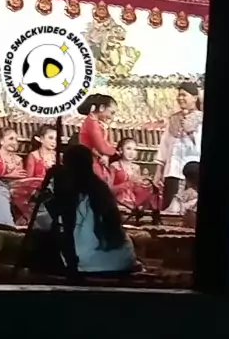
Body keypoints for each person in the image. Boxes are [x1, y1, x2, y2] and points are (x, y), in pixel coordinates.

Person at [50, 145, 138, 274]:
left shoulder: (73, 193)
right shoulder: (100, 188)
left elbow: (60, 228)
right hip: (121, 258)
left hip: (88, 260)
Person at [154, 81, 203, 211]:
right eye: (179, 95)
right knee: (169, 211)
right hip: (172, 172)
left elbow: (199, 147)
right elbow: (164, 146)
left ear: (194, 98)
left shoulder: (202, 119)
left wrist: (190, 132)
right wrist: (158, 171)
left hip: (192, 173)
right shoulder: (173, 119)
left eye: (184, 95)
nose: (180, 98)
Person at [78, 93, 118, 184]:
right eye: (111, 112)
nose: (111, 117)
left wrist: (107, 154)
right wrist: (115, 151)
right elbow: (102, 147)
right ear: (102, 108)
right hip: (90, 162)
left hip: (95, 160)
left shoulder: (95, 122)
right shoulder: (92, 123)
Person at [111, 137, 154, 209]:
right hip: (118, 202)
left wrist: (145, 184)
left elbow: (137, 189)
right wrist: (127, 184)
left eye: (134, 149)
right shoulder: (114, 166)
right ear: (121, 150)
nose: (131, 152)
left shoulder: (136, 167)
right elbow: (109, 189)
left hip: (133, 202)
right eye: (128, 149)